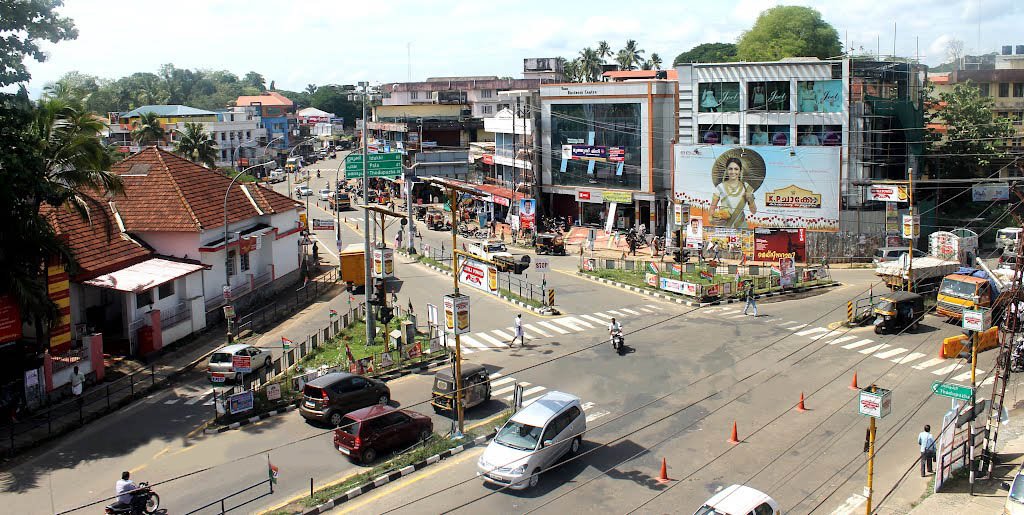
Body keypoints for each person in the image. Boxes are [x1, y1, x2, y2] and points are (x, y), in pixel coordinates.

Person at [709, 157, 757, 229]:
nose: (733, 172)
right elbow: (712, 209)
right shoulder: (720, 187)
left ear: (740, 170)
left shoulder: (746, 187)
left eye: (736, 169)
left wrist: (751, 199)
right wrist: (712, 220)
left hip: (741, 227)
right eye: (730, 169)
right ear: (727, 170)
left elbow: (754, 211)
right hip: (724, 227)